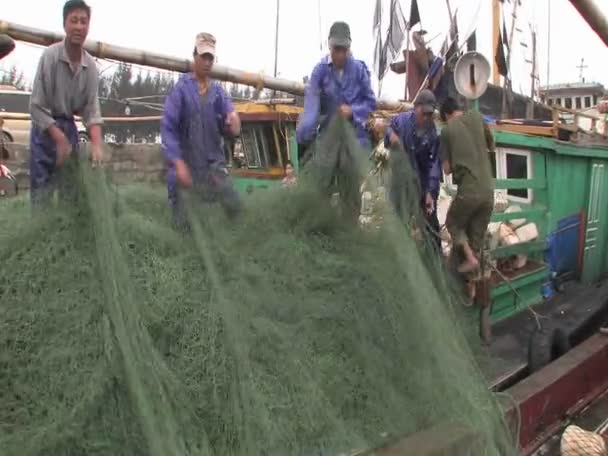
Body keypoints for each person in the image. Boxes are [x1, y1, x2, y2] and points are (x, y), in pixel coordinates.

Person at [161, 32, 242, 228]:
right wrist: (178, 163)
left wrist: (235, 123)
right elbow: (168, 129)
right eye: (203, 56)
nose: (207, 62)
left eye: (210, 58)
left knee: (234, 207)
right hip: (185, 168)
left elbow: (232, 126)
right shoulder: (181, 89)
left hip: (212, 168)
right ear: (194, 56)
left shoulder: (219, 93)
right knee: (183, 225)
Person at [29, 0, 104, 206]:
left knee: (69, 193)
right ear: (65, 25)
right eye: (74, 21)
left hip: (69, 127)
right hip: (45, 130)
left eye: (84, 21)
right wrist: (59, 140)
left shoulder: (90, 66)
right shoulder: (50, 57)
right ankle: (40, 232)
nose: (79, 27)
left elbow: (91, 110)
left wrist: (97, 144)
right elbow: (36, 106)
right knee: (41, 191)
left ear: (88, 26)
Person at [296, 21, 376, 151]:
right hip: (330, 143)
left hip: (358, 142)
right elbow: (311, 108)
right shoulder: (319, 72)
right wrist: (304, 131)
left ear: (349, 48)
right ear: (329, 45)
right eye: (336, 49)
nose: (340, 55)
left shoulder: (359, 70)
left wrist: (352, 111)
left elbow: (371, 103)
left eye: (344, 50)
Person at [439, 97, 495, 276]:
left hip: (469, 192)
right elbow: (491, 145)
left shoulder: (447, 130)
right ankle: (473, 284)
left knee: (453, 223)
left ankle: (469, 259)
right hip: (488, 193)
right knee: (476, 237)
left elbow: (446, 170)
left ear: (446, 115)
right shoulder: (477, 117)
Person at [385, 89, 441, 248]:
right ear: (415, 107)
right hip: (400, 184)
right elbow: (388, 130)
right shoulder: (400, 121)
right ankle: (399, 255)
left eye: (429, 115)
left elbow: (434, 165)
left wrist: (430, 192)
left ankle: (434, 258)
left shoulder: (433, 135)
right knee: (399, 221)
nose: (426, 117)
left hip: (421, 186)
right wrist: (391, 136)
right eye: (424, 113)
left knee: (430, 225)